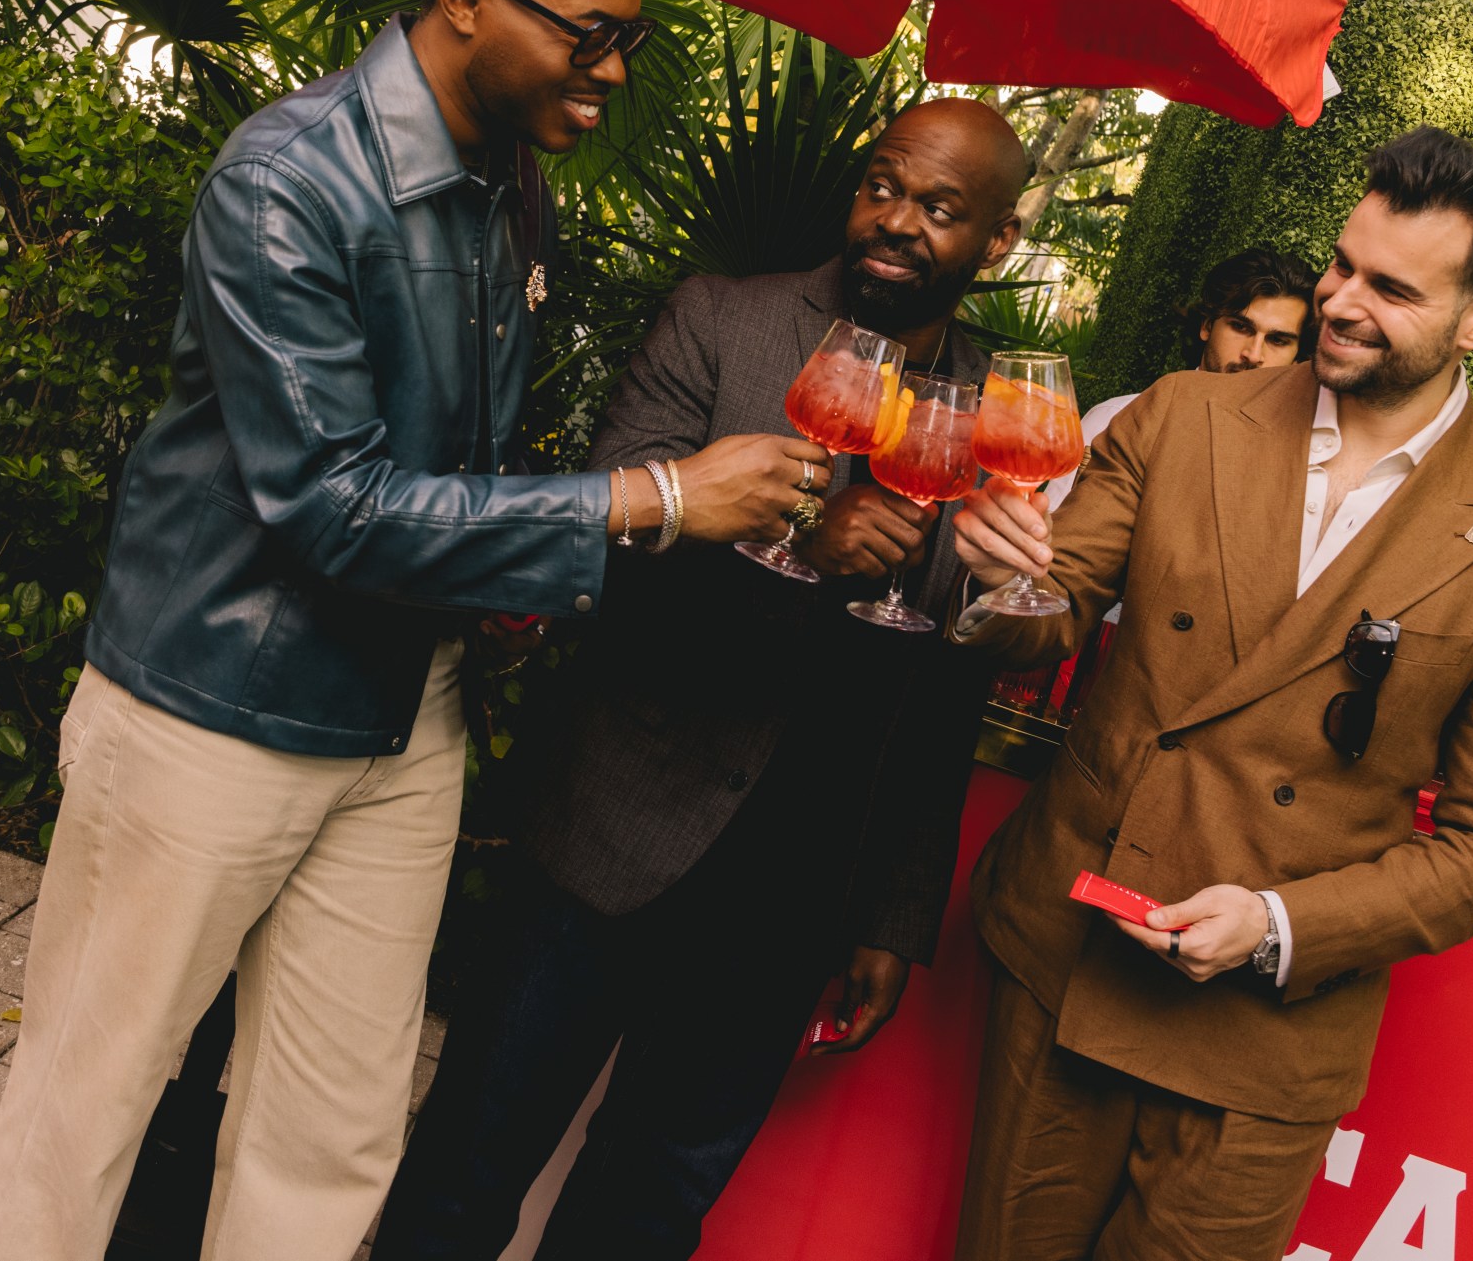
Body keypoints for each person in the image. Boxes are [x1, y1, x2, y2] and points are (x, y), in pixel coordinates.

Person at [0, 0, 824, 1261]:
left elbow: (454, 465)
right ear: (468, 2)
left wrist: (505, 590)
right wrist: (651, 498)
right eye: (587, 33)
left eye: (632, 38)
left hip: (405, 719)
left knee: (334, 1131)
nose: (611, 71)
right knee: (88, 1105)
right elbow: (335, 506)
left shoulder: (516, 185)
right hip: (213, 712)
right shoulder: (289, 178)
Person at [371, 100, 1033, 1261]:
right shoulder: (723, 319)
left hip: (796, 883)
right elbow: (602, 534)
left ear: (999, 242)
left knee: (652, 1202)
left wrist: (890, 910)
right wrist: (801, 548)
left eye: (940, 208)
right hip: (614, 824)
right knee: (473, 1150)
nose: (897, 221)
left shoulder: (1003, 411)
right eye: (885, 185)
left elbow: (940, 696)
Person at [947, 126, 1473, 1261]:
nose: (1339, 301)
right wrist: (999, 573)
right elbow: (1050, 607)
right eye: (1342, 264)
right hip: (1074, 955)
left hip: (1267, 1046)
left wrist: (1280, 926)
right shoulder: (1185, 414)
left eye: (1392, 289)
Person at [1059, 247, 1320, 505]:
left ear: (1297, 358)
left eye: (1277, 340)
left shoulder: (1301, 463)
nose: (1253, 354)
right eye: (1241, 327)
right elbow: (1053, 535)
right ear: (1207, 326)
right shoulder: (1114, 419)